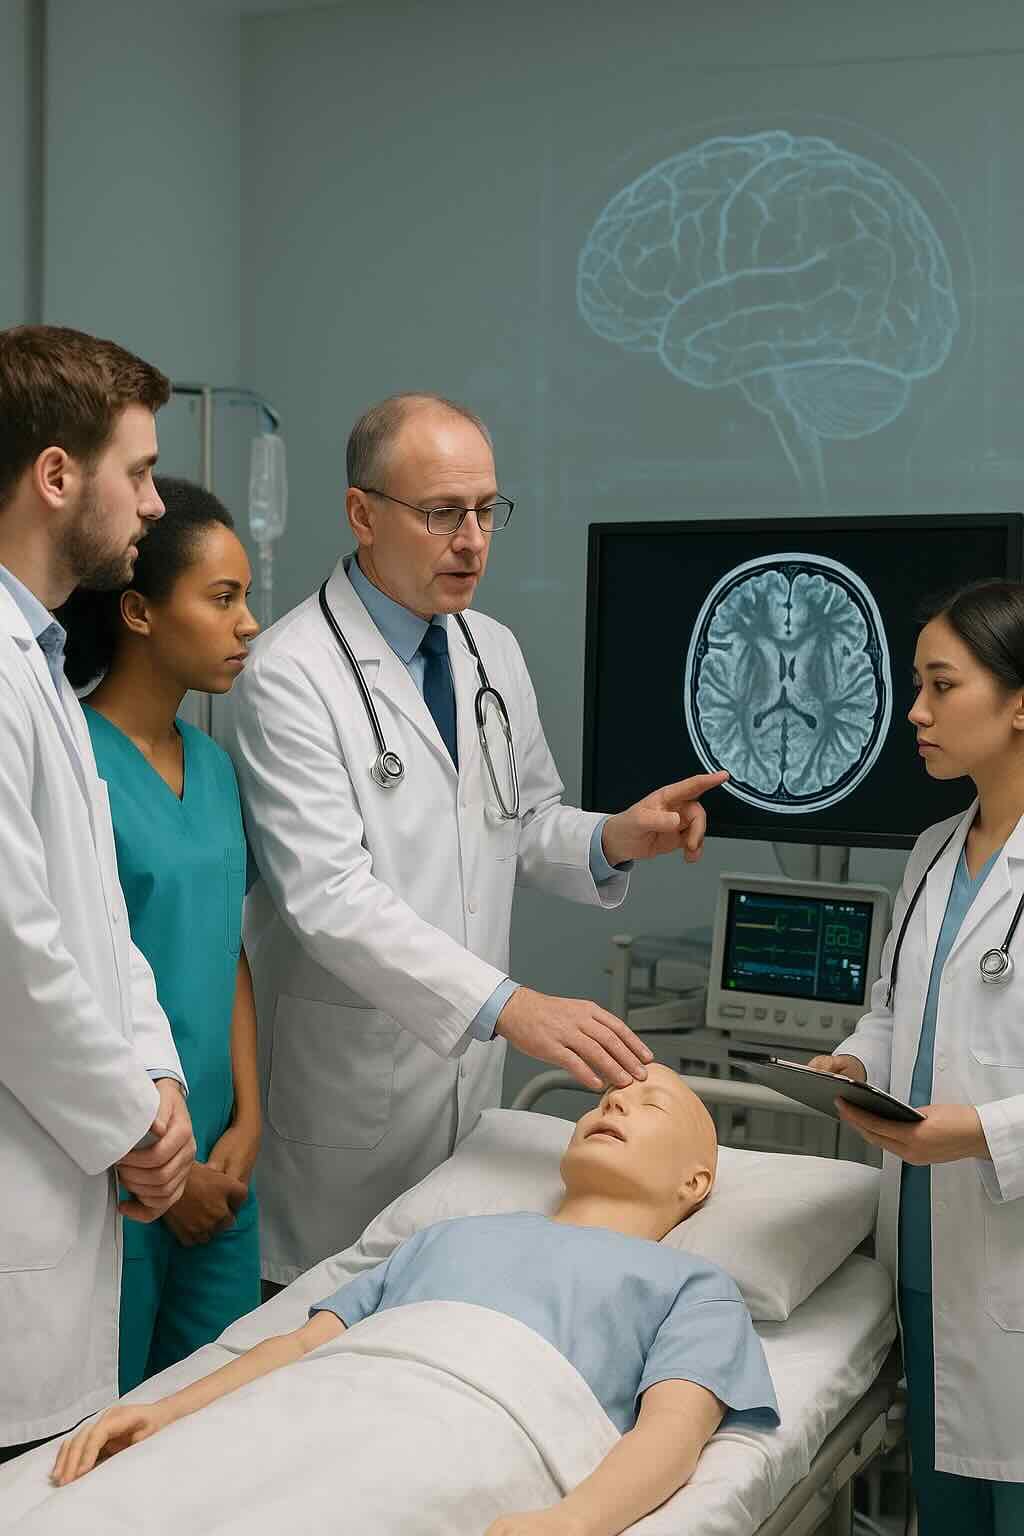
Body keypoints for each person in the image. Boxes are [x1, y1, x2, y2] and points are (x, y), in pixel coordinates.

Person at [226, 392, 727, 1284]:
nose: (472, 541)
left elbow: (519, 822)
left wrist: (614, 838)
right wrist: (509, 1006)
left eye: (486, 511)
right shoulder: (289, 675)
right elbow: (328, 898)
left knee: (443, 1306)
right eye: (442, 513)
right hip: (345, 1106)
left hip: (461, 1102)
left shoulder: (489, 649)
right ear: (362, 514)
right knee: (321, 1322)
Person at [51, 1063, 779, 1536]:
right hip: (320, 1403)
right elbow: (302, 1347)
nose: (616, 1098)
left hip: (466, 1434)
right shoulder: (448, 1235)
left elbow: (671, 1433)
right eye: (607, 1096)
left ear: (695, 1183)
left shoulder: (695, 1288)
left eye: (651, 1104)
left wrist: (572, 1522)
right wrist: (168, 1411)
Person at [0, 325, 195, 1462]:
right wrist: (132, 1123)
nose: (155, 503)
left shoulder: (39, 662)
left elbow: (102, 926)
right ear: (56, 475)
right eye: (140, 471)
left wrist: (159, 1080)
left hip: (65, 1192)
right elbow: (14, 953)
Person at [808, 579, 1024, 1533]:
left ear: (1019, 704)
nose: (916, 713)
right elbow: (897, 1013)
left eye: (942, 685)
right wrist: (856, 1063)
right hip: (929, 1259)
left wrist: (980, 1132)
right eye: (917, 685)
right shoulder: (935, 849)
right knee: (948, 1509)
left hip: (1010, 1248)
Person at [57, 477, 262, 1394]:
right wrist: (163, 1170)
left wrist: (248, 1124)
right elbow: (61, 991)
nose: (248, 623)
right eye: (222, 598)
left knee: (213, 1417)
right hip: (126, 1171)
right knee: (105, 1426)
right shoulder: (75, 765)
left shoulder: (213, 768)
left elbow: (228, 952)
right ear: (138, 611)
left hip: (224, 1162)